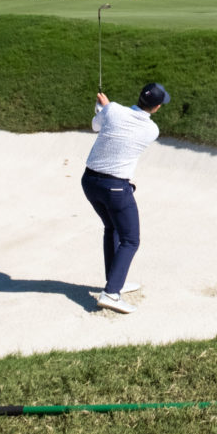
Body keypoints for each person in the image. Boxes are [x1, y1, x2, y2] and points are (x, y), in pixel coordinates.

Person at [80, 82, 170, 314]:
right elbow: (122, 123)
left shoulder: (114, 110)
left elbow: (96, 125)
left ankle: (114, 280)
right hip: (116, 189)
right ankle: (111, 293)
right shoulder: (151, 130)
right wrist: (107, 110)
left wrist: (103, 110)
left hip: (89, 182)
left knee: (112, 228)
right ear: (157, 107)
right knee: (131, 240)